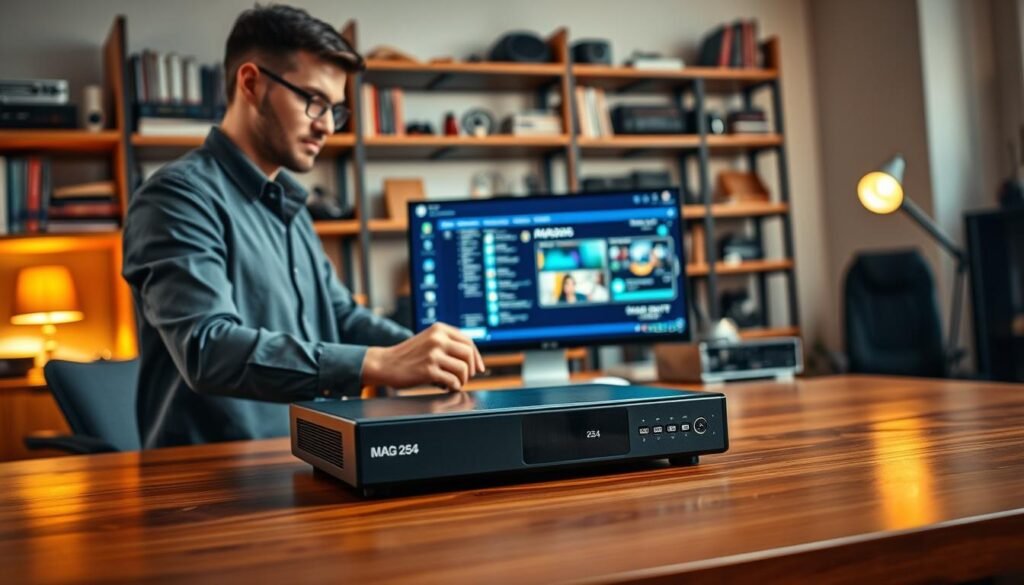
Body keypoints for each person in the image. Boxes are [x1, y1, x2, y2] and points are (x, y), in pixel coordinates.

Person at [122, 4, 483, 449]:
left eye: (336, 110)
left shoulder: (290, 204)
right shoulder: (177, 197)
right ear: (251, 84)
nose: (328, 125)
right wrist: (379, 363)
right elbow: (208, 349)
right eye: (313, 101)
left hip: (308, 455)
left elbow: (342, 317)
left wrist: (424, 351)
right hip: (209, 481)